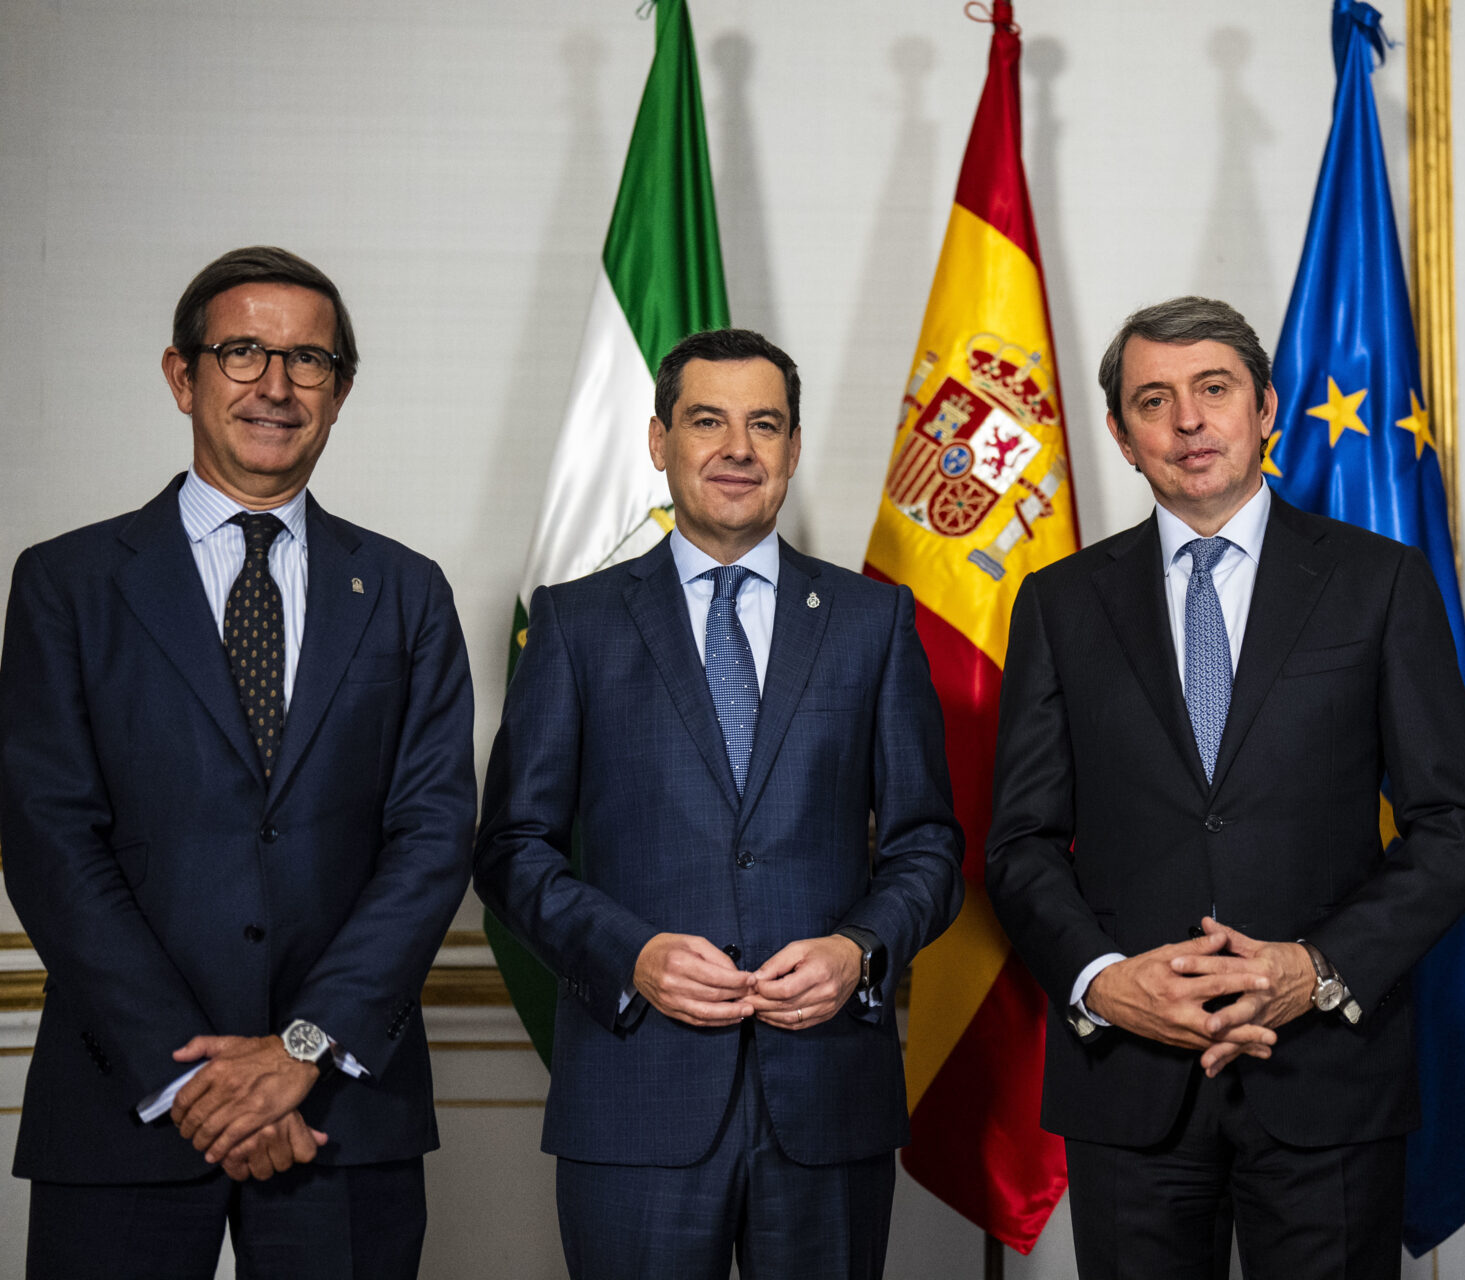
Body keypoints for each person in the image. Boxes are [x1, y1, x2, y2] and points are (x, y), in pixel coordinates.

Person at [984, 296, 1465, 1279]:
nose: (1188, 420)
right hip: (1128, 1075)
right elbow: (1020, 843)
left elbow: (1455, 826)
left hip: (1326, 1072)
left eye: (1213, 389)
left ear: (1264, 407)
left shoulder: (1379, 581)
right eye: (1154, 401)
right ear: (1121, 436)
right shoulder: (1059, 603)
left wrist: (1320, 966)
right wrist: (1103, 982)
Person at [0, 245, 477, 1279]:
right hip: (123, 1101)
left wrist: (300, 1050)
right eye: (244, 352)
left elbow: (432, 838)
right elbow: (50, 841)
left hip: (342, 1109)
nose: (276, 385)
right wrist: (197, 1082)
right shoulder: (65, 585)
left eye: (309, 361)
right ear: (184, 375)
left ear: (340, 392)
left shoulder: (407, 593)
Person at [472, 327, 963, 1280]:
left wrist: (858, 950)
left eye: (764, 425)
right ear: (660, 441)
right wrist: (632, 954)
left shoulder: (873, 621)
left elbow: (928, 846)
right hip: (635, 1092)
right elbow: (512, 849)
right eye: (708, 422)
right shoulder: (575, 623)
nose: (738, 448)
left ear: (793, 447)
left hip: (826, 1095)